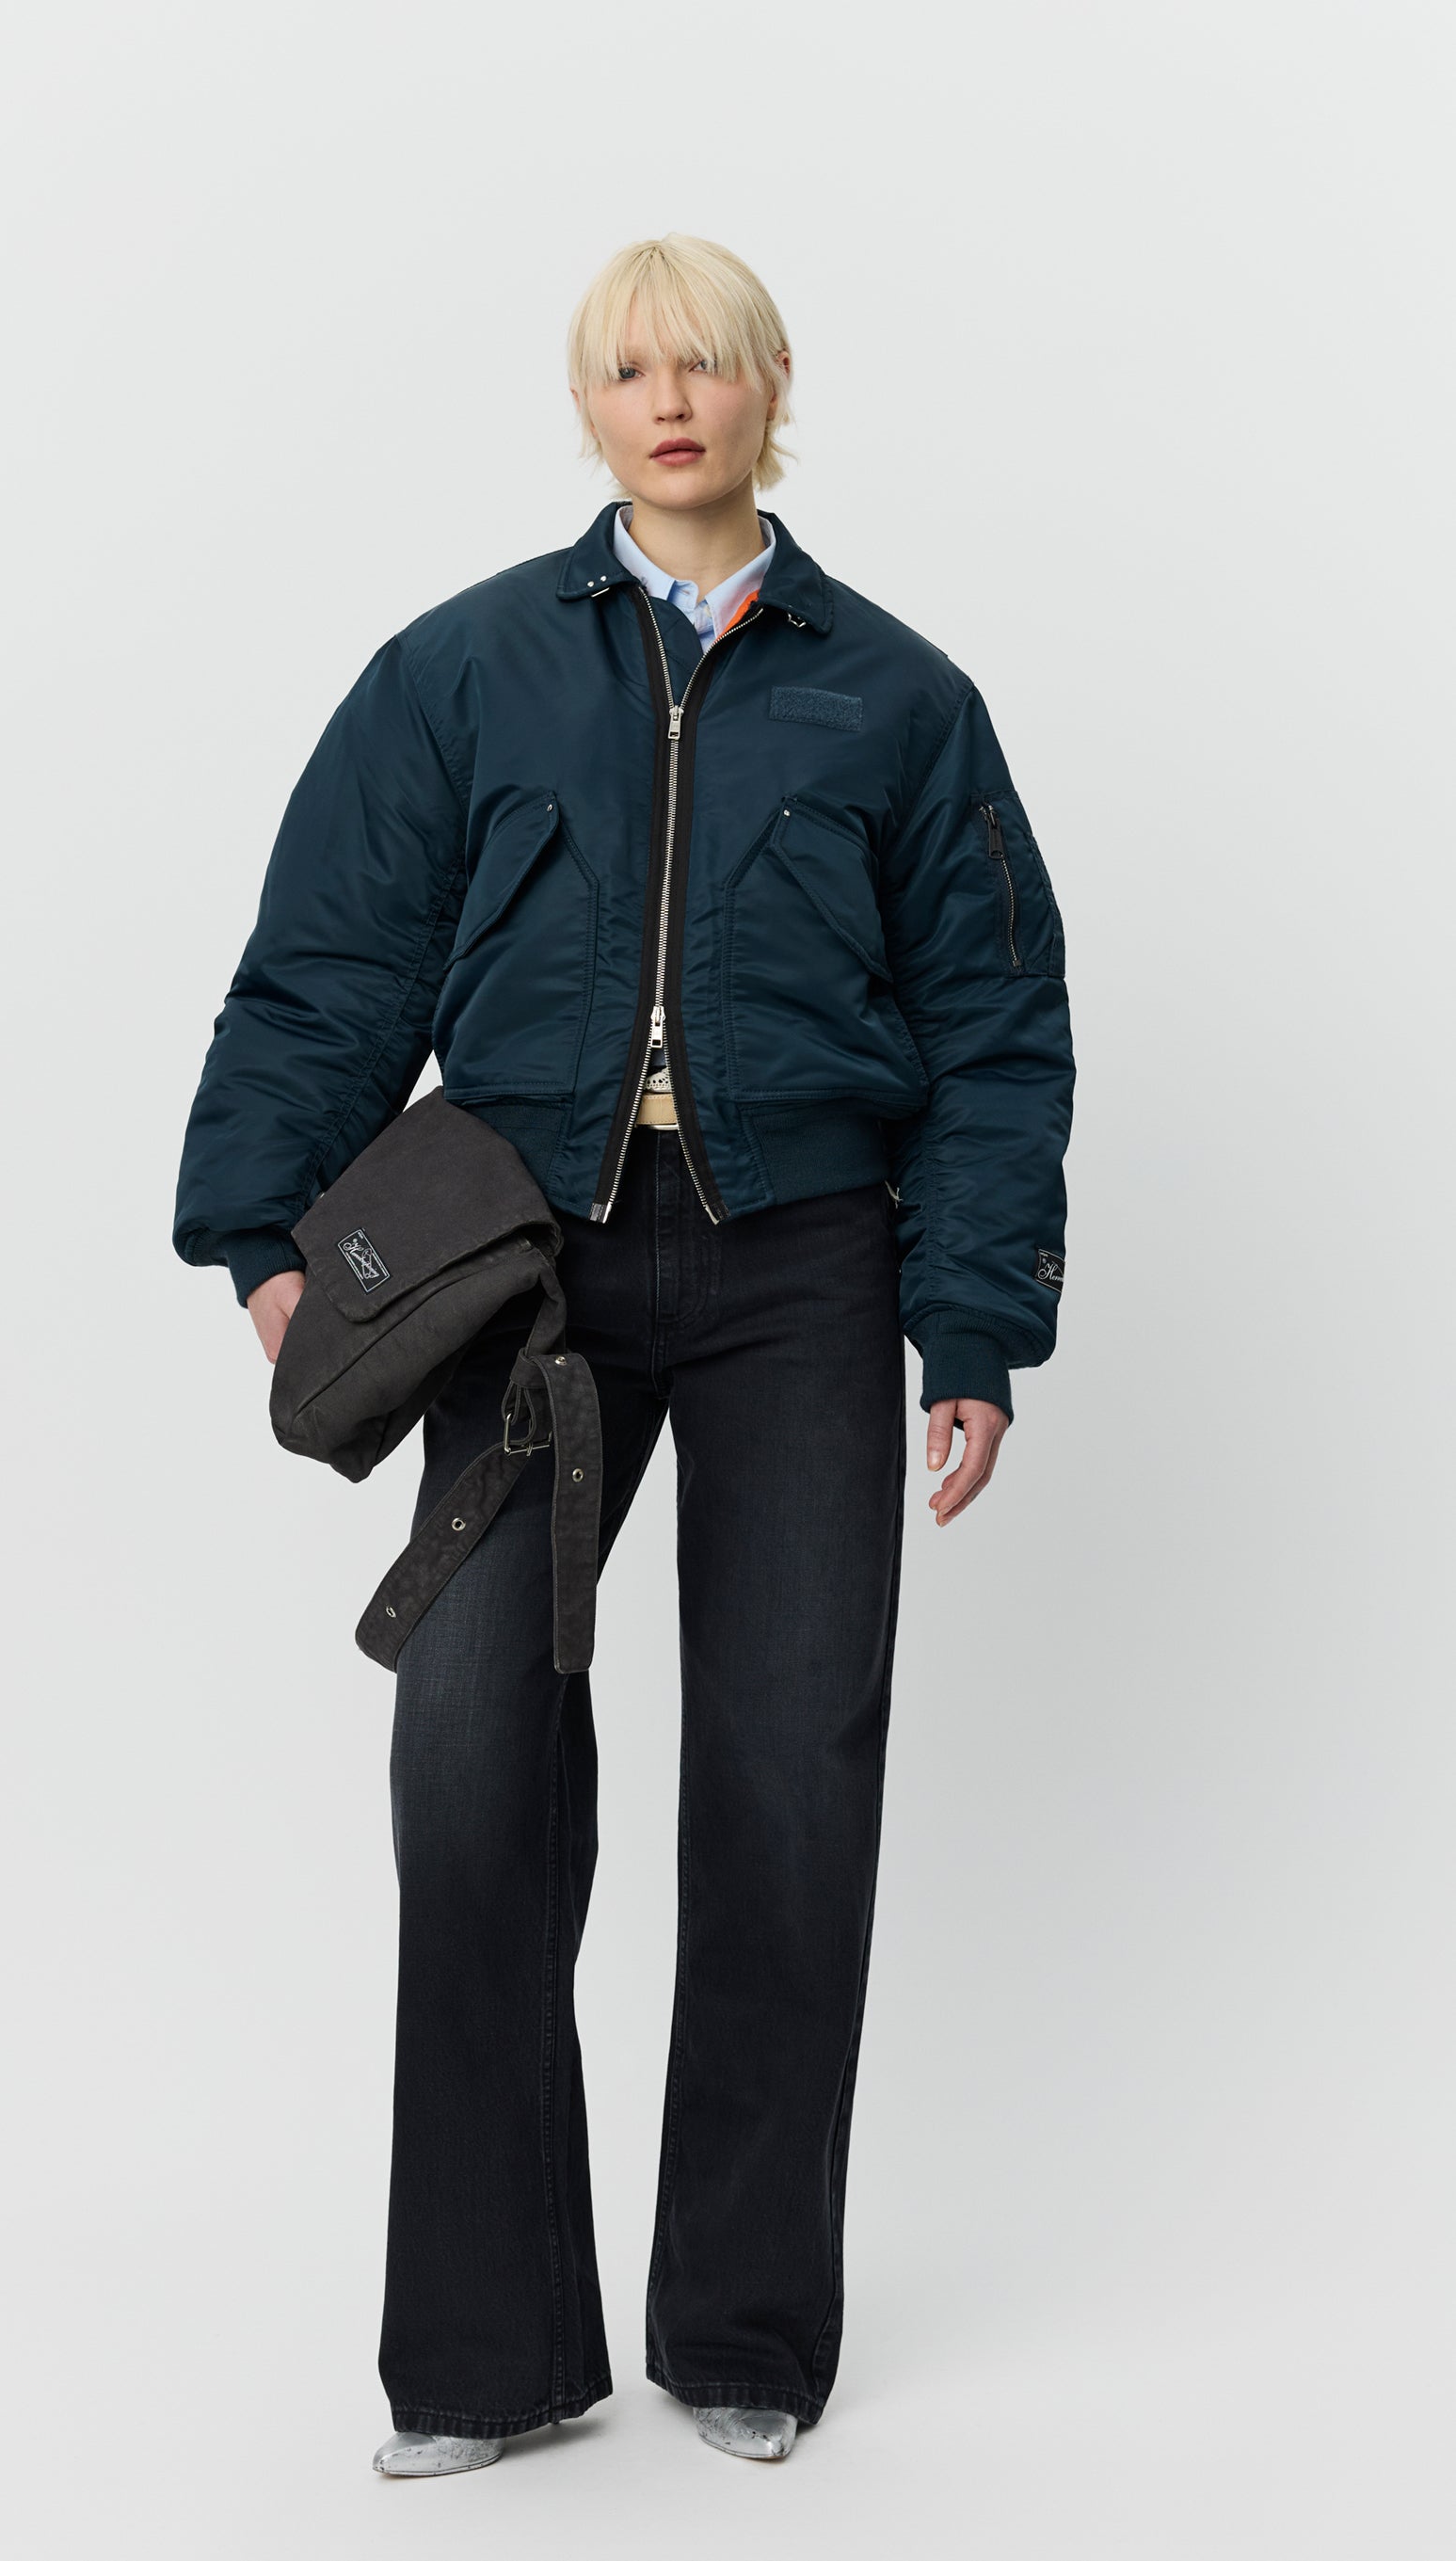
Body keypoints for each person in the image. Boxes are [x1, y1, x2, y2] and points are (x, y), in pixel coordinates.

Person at [172, 232, 1075, 2474]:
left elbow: (992, 1030)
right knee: (475, 1770)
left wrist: (971, 1317)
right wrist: (261, 1234)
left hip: (802, 1270)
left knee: (787, 1782)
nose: (669, 400)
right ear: (587, 405)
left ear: (772, 388)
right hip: (525, 1271)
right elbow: (330, 959)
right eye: (627, 368)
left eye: (705, 364)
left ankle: (746, 2328)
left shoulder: (901, 699)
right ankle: (485, 2353)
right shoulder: (463, 669)